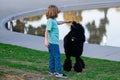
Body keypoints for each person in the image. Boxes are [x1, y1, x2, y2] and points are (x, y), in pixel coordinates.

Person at [44, 5, 72, 78]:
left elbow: (58, 22)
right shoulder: (50, 21)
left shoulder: (53, 20)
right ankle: (59, 73)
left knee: (52, 57)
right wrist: (46, 40)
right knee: (57, 57)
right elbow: (47, 31)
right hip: (53, 43)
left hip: (52, 42)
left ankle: (51, 71)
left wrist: (66, 21)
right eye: (57, 12)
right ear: (54, 13)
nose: (57, 14)